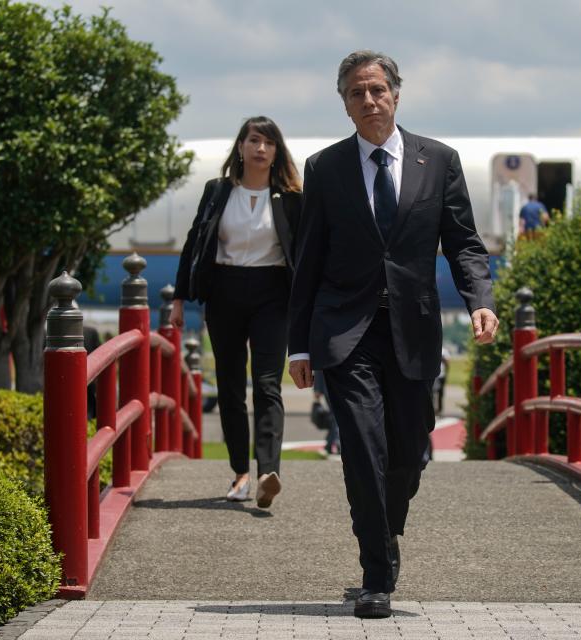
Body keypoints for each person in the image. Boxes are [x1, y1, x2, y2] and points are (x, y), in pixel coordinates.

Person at [288, 50, 498, 618]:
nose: (369, 101)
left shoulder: (440, 160)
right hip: (344, 330)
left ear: (396, 95)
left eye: (377, 90)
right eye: (356, 93)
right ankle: (376, 574)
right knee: (362, 448)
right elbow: (307, 259)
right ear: (345, 104)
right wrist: (300, 343)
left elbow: (463, 242)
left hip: (413, 327)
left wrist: (480, 299)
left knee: (408, 452)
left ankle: (387, 532)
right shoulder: (325, 167)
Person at [172, 116, 302, 509]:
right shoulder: (217, 191)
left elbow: (307, 254)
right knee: (229, 387)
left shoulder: (292, 199)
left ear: (277, 151)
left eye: (269, 142)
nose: (261, 149)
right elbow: (194, 243)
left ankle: (267, 473)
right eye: (254, 140)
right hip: (225, 294)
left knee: (266, 384)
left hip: (271, 295)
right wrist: (179, 298)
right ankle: (240, 472)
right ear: (241, 147)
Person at [312, 371, 340, 455]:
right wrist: (317, 389)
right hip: (331, 388)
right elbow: (319, 369)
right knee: (337, 417)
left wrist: (317, 389)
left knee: (335, 417)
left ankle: (330, 443)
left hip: (333, 387)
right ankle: (337, 442)